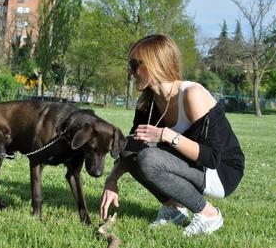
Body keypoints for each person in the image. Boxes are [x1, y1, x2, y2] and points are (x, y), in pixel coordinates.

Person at [99, 34, 245, 236]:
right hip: (192, 166)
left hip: (221, 172)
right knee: (130, 147)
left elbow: (211, 158)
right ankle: (173, 208)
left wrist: (167, 135)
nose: (131, 72)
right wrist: (112, 180)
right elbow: (130, 147)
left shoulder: (192, 94)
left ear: (154, 63)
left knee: (149, 158)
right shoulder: (147, 102)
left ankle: (209, 214)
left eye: (134, 64)